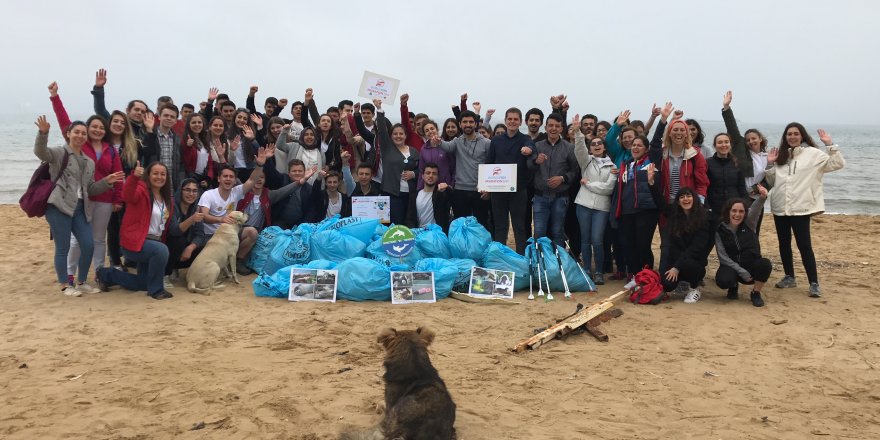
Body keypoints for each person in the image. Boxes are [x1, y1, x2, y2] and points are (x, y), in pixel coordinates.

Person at [35, 115, 122, 296]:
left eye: (83, 133)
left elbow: (90, 189)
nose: (80, 136)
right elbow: (41, 152)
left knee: (88, 244)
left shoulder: (88, 161)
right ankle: (66, 284)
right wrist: (43, 133)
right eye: (77, 132)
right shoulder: (59, 153)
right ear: (69, 134)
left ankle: (81, 281)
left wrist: (107, 181)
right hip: (59, 206)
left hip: (81, 207)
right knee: (63, 246)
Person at [48, 83, 124, 287]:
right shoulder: (81, 144)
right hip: (82, 200)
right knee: (78, 240)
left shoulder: (110, 150)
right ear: (87, 129)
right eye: (94, 127)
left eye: (101, 127)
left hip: (105, 201)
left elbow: (118, 177)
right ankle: (70, 274)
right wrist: (55, 98)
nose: (98, 130)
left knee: (99, 240)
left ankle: (99, 273)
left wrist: (117, 199)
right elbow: (65, 122)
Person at [765, 124, 845, 297]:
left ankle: (813, 283)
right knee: (784, 244)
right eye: (789, 134)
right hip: (780, 207)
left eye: (796, 134)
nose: (792, 137)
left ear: (802, 136)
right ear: (785, 137)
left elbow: (837, 163)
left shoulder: (813, 154)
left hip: (801, 208)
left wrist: (830, 145)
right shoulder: (782, 155)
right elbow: (772, 181)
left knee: (804, 246)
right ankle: (789, 277)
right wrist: (769, 164)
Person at [95, 161, 173, 300]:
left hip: (152, 244)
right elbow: (127, 195)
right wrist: (134, 177)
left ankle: (106, 275)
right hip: (136, 242)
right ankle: (156, 290)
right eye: (155, 173)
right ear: (148, 175)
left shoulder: (167, 199)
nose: (159, 177)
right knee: (162, 250)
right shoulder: (141, 190)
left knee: (143, 283)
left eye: (163, 174)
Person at [572, 115, 617, 285]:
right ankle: (586, 270)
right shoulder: (586, 161)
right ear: (590, 148)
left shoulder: (612, 166)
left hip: (601, 208)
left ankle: (598, 271)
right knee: (585, 239)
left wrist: (589, 184)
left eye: (599, 143)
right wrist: (577, 131)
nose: (596, 146)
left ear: (604, 147)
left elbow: (608, 189)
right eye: (593, 144)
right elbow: (579, 149)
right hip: (583, 205)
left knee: (597, 240)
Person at [610, 136, 662, 280]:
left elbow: (656, 144)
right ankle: (634, 275)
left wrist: (662, 119)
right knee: (628, 244)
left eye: (639, 145)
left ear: (646, 149)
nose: (635, 147)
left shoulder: (651, 162)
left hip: (646, 210)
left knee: (643, 245)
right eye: (634, 145)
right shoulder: (626, 165)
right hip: (627, 210)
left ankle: (647, 276)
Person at [487, 108, 535, 254]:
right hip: (498, 190)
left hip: (518, 191)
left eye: (515, 119)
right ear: (505, 120)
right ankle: (499, 257)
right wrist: (485, 186)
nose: (512, 122)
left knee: (519, 226)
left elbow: (531, 148)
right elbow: (489, 163)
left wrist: (529, 150)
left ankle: (521, 258)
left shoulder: (525, 139)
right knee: (500, 226)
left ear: (520, 122)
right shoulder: (496, 140)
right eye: (510, 119)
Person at [715, 187, 773, 307]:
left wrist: (762, 197)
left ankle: (755, 293)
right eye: (734, 211)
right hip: (734, 267)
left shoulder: (749, 223)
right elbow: (723, 257)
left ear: (745, 213)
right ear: (728, 212)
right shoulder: (720, 230)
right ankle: (733, 286)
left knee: (765, 264)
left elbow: (756, 209)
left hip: (751, 266)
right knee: (723, 280)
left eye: (741, 211)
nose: (737, 214)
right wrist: (741, 272)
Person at [527, 113, 579, 248]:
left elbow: (575, 171)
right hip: (540, 197)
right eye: (550, 125)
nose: (553, 128)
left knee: (557, 232)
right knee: (539, 233)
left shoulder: (569, 148)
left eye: (557, 126)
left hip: (560, 198)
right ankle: (539, 264)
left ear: (562, 129)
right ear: (545, 127)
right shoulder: (537, 146)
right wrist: (535, 161)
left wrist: (562, 178)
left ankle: (557, 264)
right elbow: (528, 166)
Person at [721, 90, 770, 234]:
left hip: (757, 198)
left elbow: (771, 179)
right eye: (748, 139)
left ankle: (752, 255)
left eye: (754, 138)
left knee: (754, 230)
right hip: (740, 196)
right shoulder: (741, 150)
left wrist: (757, 190)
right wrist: (726, 108)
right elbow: (732, 128)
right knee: (736, 229)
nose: (751, 141)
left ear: (760, 139)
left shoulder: (767, 156)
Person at [434, 110, 491, 228]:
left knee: (481, 225)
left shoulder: (486, 143)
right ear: (460, 124)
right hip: (460, 190)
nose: (468, 124)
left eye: (471, 122)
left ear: (476, 124)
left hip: (480, 191)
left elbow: (491, 165)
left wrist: (488, 188)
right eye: (465, 122)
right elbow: (447, 147)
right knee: (461, 225)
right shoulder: (457, 141)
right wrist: (438, 141)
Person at [650, 103, 709, 213]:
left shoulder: (695, 155)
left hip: (688, 207)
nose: (679, 133)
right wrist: (663, 119)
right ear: (669, 133)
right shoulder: (662, 155)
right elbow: (654, 144)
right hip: (666, 206)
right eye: (675, 130)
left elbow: (702, 183)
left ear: (687, 134)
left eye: (682, 130)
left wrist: (699, 204)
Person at [658, 188, 712, 304]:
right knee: (666, 285)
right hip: (677, 260)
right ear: (678, 201)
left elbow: (695, 248)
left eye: (688, 196)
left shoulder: (704, 217)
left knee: (690, 265)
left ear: (694, 198)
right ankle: (682, 282)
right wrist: (651, 184)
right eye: (682, 197)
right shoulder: (675, 216)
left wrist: (676, 267)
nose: (685, 199)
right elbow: (661, 204)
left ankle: (694, 288)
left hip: (694, 261)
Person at [373, 99, 420, 225]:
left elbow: (422, 169)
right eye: (395, 134)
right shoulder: (387, 148)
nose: (398, 136)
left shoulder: (414, 151)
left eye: (401, 134)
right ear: (391, 136)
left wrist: (414, 174)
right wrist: (379, 109)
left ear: (405, 136)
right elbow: (382, 129)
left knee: (409, 225)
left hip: (410, 195)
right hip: (391, 195)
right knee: (395, 226)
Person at [165, 178, 207, 286]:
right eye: (187, 190)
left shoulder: (196, 208)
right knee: (178, 240)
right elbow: (174, 231)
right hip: (167, 247)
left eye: (194, 191)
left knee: (203, 246)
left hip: (184, 251)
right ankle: (165, 274)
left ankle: (179, 269)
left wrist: (191, 247)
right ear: (180, 191)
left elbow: (200, 235)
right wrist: (192, 219)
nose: (191, 194)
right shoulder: (172, 205)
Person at [705, 133, 748, 224]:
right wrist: (707, 207)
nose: (723, 145)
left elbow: (742, 187)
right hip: (715, 208)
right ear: (715, 146)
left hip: (733, 208)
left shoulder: (736, 163)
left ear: (730, 144)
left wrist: (745, 205)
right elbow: (705, 188)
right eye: (720, 142)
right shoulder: (707, 163)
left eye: (726, 142)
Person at [263, 159, 318, 229]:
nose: (297, 173)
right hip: (278, 223)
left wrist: (303, 226)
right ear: (289, 173)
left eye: (300, 171)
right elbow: (272, 173)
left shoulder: (309, 189)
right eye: (294, 171)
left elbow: (311, 210)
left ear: (304, 173)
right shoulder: (282, 180)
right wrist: (268, 159)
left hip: (299, 225)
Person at [406, 163, 452, 232]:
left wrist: (447, 188)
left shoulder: (441, 194)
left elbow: (452, 198)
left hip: (436, 234)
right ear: (423, 176)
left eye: (434, 174)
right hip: (419, 234)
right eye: (428, 173)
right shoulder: (415, 195)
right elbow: (409, 218)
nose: (431, 176)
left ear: (438, 177)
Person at [181, 113, 217, 189]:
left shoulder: (205, 141)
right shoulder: (184, 140)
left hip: (204, 179)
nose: (197, 125)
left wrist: (208, 179)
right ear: (188, 125)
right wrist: (188, 147)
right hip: (191, 179)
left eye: (199, 122)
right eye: (193, 122)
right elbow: (187, 163)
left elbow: (210, 164)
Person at [418, 120, 455, 190]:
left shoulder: (447, 145)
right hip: (429, 188)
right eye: (427, 130)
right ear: (424, 134)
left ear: (437, 129)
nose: (430, 131)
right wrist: (419, 189)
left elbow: (454, 168)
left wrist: (451, 185)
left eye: (432, 128)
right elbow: (421, 170)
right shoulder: (423, 149)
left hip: (445, 187)